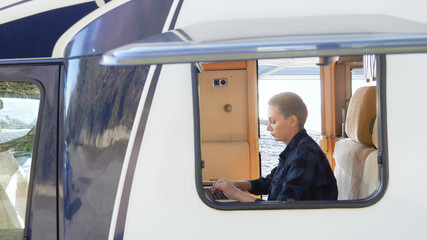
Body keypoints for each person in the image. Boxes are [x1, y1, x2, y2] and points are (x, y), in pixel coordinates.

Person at [212, 92, 338, 202]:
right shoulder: (296, 150)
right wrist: (235, 185)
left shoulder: (304, 154)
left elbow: (281, 208)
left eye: (273, 122)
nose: (268, 127)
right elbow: (269, 182)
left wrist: (235, 193)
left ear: (292, 121)